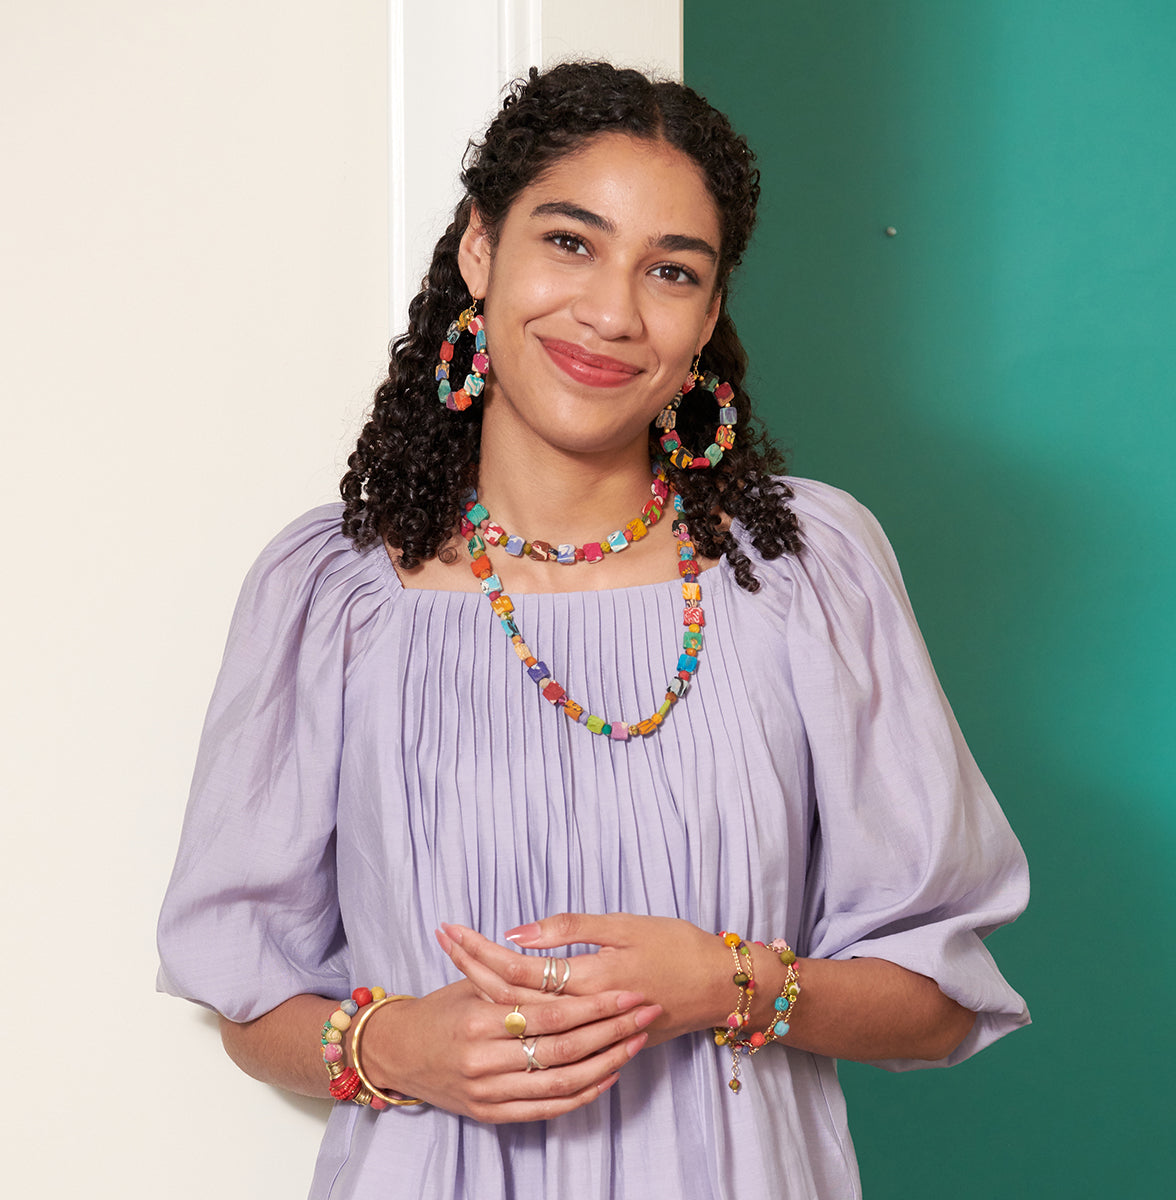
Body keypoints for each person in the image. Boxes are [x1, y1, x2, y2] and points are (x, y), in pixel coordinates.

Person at [157, 62, 1029, 1199]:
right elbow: (249, 993)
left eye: (671, 271)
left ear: (708, 316)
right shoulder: (330, 593)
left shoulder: (806, 570)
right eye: (571, 242)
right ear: (480, 249)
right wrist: (395, 1047)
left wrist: (728, 984)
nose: (613, 312)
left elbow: (940, 999)